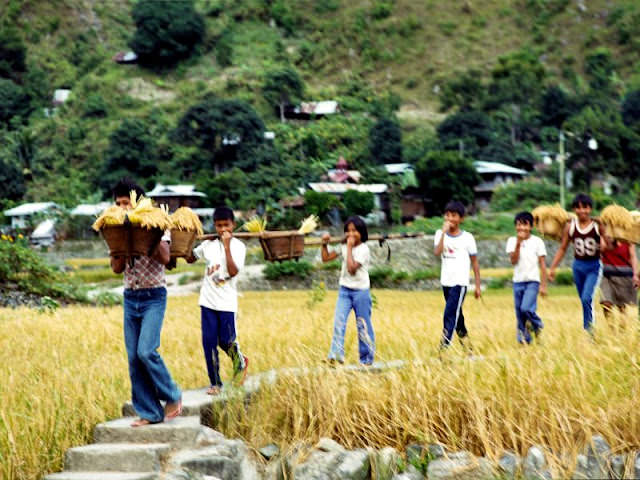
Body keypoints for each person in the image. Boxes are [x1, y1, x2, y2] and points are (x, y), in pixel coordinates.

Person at [109, 178, 182, 427]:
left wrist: (149, 237)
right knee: (133, 358)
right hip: (131, 298)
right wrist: (121, 245)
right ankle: (150, 412)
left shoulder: (157, 222)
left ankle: (172, 395)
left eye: (126, 203)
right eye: (119, 204)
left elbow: (165, 257)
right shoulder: (116, 228)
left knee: (146, 351)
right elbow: (117, 268)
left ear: (139, 202)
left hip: (153, 297)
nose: (123, 208)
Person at [188, 206, 248, 395]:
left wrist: (227, 246)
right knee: (208, 341)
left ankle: (240, 361)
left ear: (233, 225)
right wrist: (186, 241)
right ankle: (215, 382)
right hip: (207, 301)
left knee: (226, 340)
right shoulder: (208, 245)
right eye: (219, 225)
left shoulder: (239, 246)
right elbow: (190, 258)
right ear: (214, 226)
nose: (223, 229)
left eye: (226, 225)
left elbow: (232, 271)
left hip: (227, 302)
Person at [548, 193, 607, 333]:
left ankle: (589, 332)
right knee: (584, 300)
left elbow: (606, 244)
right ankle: (588, 326)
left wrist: (603, 245)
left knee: (587, 299)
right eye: (578, 208)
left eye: (585, 207)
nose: (582, 211)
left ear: (590, 209)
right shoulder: (570, 226)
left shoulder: (597, 225)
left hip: (594, 266)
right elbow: (563, 248)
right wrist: (552, 268)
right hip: (578, 266)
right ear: (574, 209)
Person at [321, 215, 375, 365]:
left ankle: (366, 359)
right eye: (348, 231)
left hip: (361, 292)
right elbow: (326, 258)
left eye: (354, 231)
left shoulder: (364, 250)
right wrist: (324, 244)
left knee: (363, 325)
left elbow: (351, 269)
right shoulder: (343, 246)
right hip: (344, 290)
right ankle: (336, 356)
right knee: (339, 322)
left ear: (361, 233)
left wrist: (349, 247)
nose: (351, 234)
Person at [434, 200, 481, 350]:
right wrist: (443, 233)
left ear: (461, 218)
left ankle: (444, 345)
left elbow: (475, 263)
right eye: (447, 215)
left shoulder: (467, 238)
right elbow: (437, 252)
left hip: (459, 283)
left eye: (454, 215)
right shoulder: (439, 234)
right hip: (446, 281)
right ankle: (468, 347)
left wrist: (478, 286)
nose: (450, 219)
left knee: (449, 313)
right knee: (457, 315)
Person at [506, 211, 547, 344]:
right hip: (518, 282)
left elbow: (542, 264)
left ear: (531, 226)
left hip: (532, 282)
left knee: (526, 309)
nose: (521, 228)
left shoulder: (537, 241)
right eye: (518, 225)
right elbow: (513, 260)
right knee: (520, 313)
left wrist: (544, 285)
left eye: (525, 224)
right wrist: (518, 243)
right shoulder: (512, 241)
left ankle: (537, 324)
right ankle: (524, 340)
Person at [600, 235, 638, 320]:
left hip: (623, 275)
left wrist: (635, 274)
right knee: (606, 303)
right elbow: (601, 249)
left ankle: (622, 331)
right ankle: (611, 330)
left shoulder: (628, 238)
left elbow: (633, 257)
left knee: (622, 307)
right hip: (606, 276)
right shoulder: (603, 235)